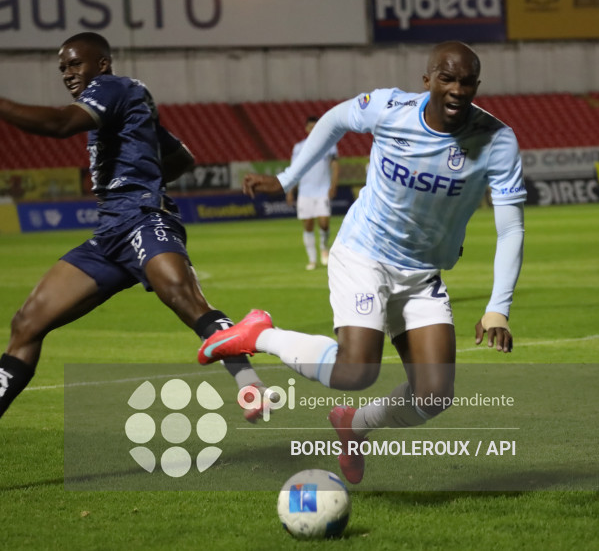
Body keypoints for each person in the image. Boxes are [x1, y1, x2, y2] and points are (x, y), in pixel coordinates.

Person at [0, 32, 271, 469]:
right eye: (62, 68)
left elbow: (59, 125)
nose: (68, 74)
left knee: (184, 298)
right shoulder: (129, 101)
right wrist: (143, 159)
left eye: (74, 65)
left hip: (143, 218)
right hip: (109, 235)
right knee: (27, 322)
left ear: (101, 64)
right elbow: (182, 158)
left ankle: (250, 384)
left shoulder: (110, 88)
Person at [198, 41, 526, 484]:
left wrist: (497, 308)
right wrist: (285, 178)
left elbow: (511, 229)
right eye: (446, 78)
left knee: (434, 395)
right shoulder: (390, 108)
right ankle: (260, 333)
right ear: (427, 79)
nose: (457, 90)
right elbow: (334, 120)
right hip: (364, 252)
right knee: (356, 370)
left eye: (467, 81)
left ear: (477, 86)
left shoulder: (497, 140)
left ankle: (353, 426)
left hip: (421, 272)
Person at [285, 115, 340, 270]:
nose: (313, 130)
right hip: (305, 191)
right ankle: (312, 259)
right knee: (308, 225)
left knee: (324, 222)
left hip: (322, 189)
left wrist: (333, 185)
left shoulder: (330, 145)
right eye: (310, 127)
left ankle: (324, 247)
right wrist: (290, 190)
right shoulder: (298, 148)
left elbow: (335, 166)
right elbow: (293, 170)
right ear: (306, 129)